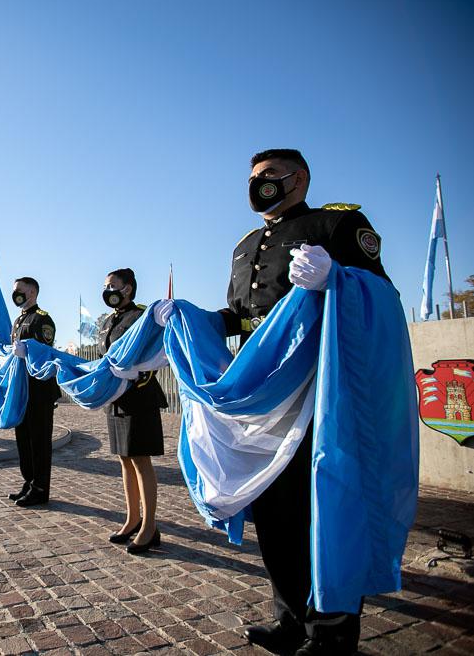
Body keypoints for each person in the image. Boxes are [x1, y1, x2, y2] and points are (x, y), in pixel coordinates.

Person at [154, 149, 390, 656]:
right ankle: (289, 620)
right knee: (276, 515)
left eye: (269, 176)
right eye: (253, 178)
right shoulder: (243, 248)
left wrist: (337, 279)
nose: (258, 185)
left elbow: (380, 296)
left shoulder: (337, 225)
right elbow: (240, 319)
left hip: (321, 394)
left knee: (323, 510)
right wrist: (191, 317)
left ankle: (331, 635)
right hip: (265, 400)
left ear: (299, 178)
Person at [98, 269, 168, 554]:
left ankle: (150, 527)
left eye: (113, 285)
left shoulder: (141, 316)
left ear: (128, 288)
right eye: (105, 285)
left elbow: (153, 354)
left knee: (141, 461)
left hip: (139, 396)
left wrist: (135, 373)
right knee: (124, 460)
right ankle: (132, 519)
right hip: (117, 398)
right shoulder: (108, 321)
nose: (108, 290)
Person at [9, 277, 60, 507]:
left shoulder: (42, 318)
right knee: (24, 440)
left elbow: (45, 351)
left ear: (32, 292)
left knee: (39, 441)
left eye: (19, 290)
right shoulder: (19, 320)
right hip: (23, 390)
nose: (16, 294)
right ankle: (29, 482)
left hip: (39, 389)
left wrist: (27, 351)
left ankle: (40, 488)